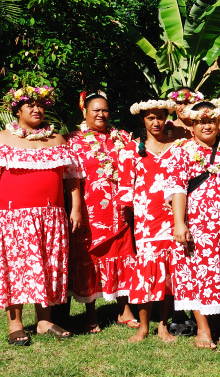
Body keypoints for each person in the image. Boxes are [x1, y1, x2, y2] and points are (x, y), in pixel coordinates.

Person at [0, 84, 81, 346]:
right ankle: (15, 324)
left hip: (50, 217)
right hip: (11, 219)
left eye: (41, 105)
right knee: (14, 268)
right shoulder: (0, 141)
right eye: (30, 105)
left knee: (48, 265)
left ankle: (44, 320)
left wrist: (75, 208)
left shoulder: (56, 140)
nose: (36, 109)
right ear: (17, 109)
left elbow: (71, 179)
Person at [122, 98, 195, 343]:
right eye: (150, 118)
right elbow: (126, 192)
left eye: (160, 117)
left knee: (168, 274)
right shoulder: (131, 150)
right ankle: (143, 327)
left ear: (167, 119)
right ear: (143, 120)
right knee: (147, 271)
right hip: (146, 220)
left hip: (173, 218)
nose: (156, 122)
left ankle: (163, 326)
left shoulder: (178, 147)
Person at [171, 101, 220, 349]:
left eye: (211, 121)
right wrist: (180, 223)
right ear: (192, 124)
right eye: (202, 121)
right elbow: (178, 189)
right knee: (198, 275)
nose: (207, 126)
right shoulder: (182, 151)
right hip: (198, 228)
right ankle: (203, 329)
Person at [66, 92, 138, 332]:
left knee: (123, 253)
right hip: (88, 211)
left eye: (105, 110)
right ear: (84, 112)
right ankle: (90, 311)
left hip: (120, 210)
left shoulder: (123, 137)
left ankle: (124, 309)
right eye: (95, 110)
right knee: (90, 258)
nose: (101, 114)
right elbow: (70, 178)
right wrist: (74, 208)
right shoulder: (72, 141)